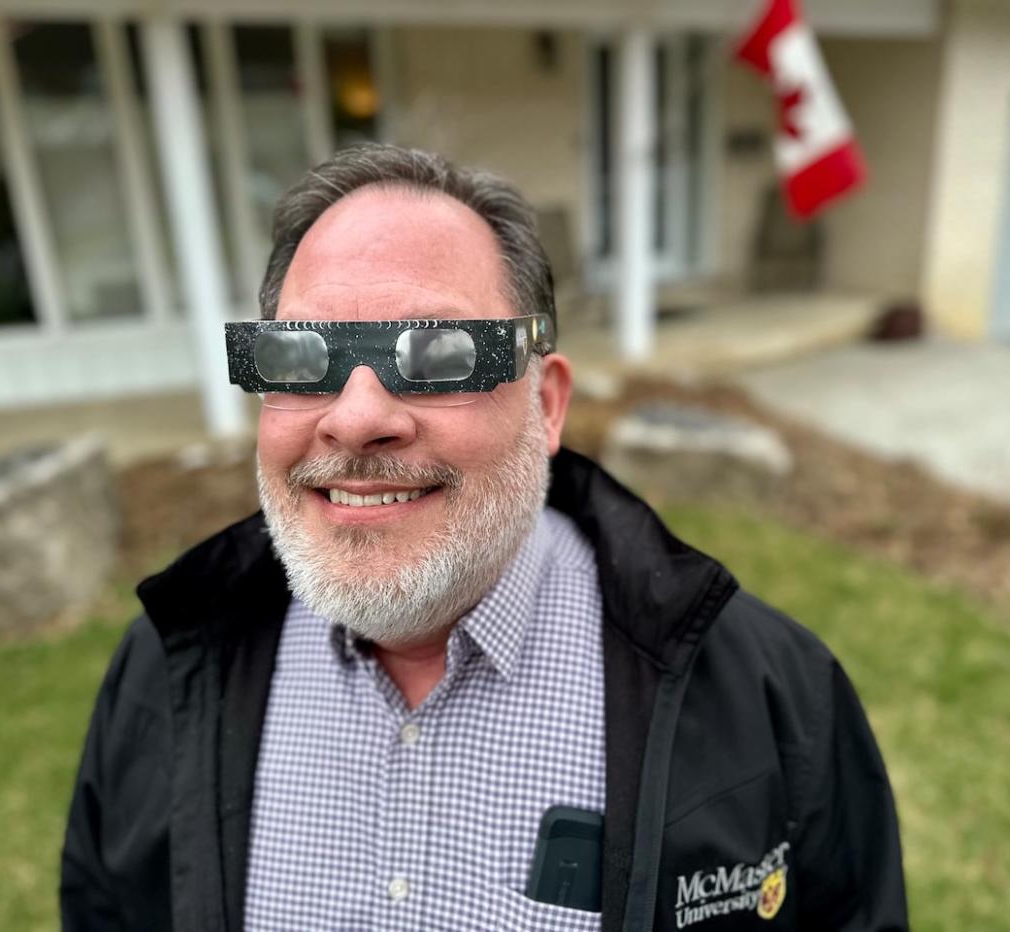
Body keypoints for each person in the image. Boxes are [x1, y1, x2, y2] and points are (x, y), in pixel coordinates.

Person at [61, 144, 907, 932]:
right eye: (300, 357)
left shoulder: (773, 701)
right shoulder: (159, 678)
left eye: (439, 356)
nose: (355, 418)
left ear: (546, 405)